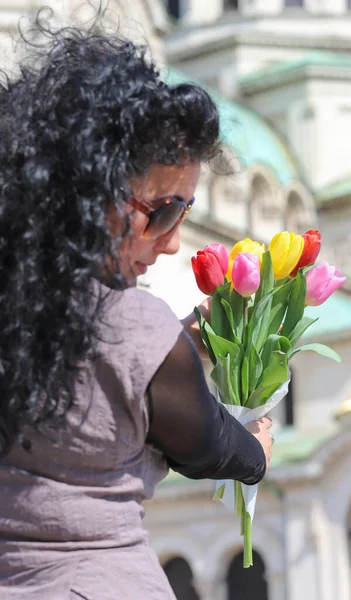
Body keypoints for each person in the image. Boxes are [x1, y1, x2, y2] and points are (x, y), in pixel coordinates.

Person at [0, 15, 274, 600]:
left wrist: (172, 344)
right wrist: (256, 452)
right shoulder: (136, 327)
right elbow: (206, 447)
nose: (174, 240)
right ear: (90, 190)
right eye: (165, 211)